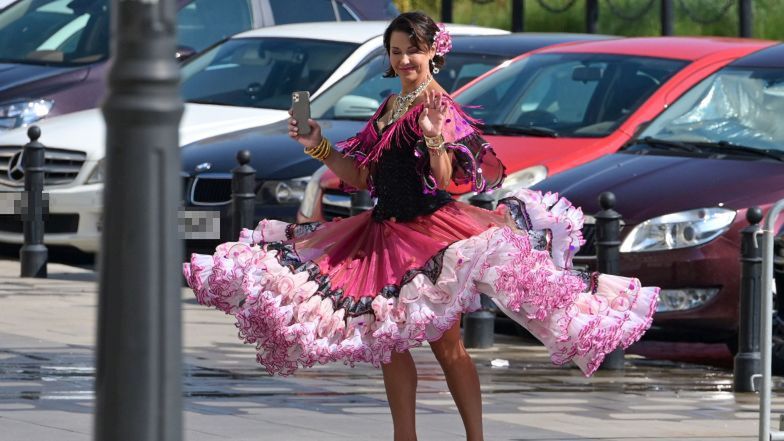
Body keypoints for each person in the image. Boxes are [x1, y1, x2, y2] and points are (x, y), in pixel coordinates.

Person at [183, 12, 660, 441]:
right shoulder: (391, 105)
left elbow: (450, 181)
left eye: (412, 48)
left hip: (432, 236)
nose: (404, 58)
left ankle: (476, 437)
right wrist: (317, 145)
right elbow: (363, 177)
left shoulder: (441, 107)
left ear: (433, 51)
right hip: (380, 231)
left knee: (447, 345)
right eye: (396, 51)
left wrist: (434, 140)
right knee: (389, 341)